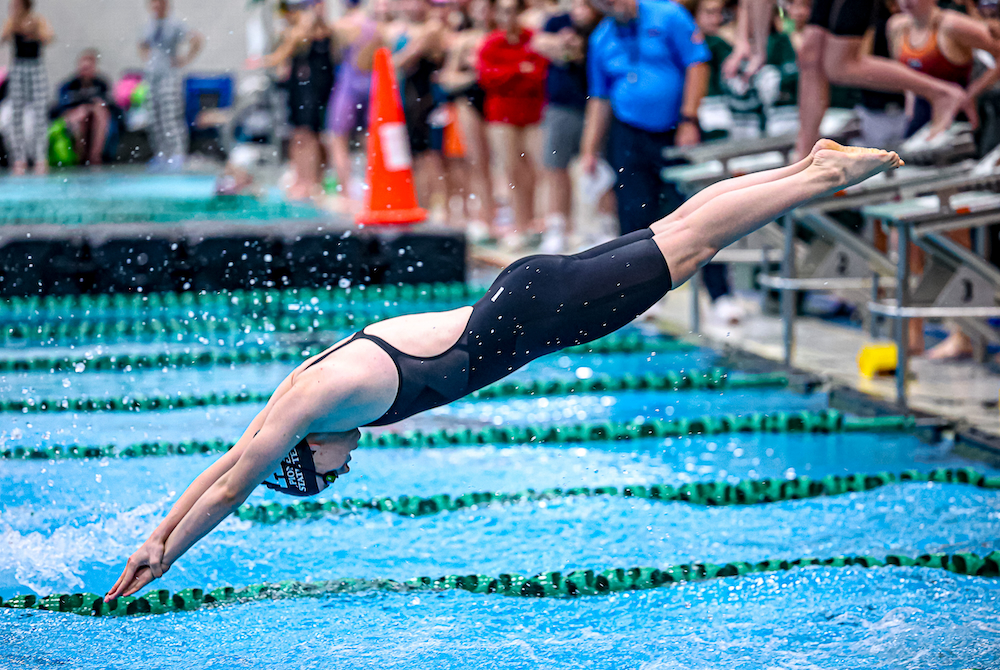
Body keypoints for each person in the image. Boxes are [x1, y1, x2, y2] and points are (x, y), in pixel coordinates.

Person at [104, 141, 903, 601]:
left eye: (328, 475)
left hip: (532, 314)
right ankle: (809, 164)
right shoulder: (301, 404)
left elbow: (235, 481)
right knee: (680, 231)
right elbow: (232, 460)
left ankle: (818, 179)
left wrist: (170, 554)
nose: (346, 468)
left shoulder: (315, 403)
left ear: (308, 451)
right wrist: (156, 533)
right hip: (524, 298)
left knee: (687, 246)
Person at [580, 0, 710, 235]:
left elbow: (697, 64)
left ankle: (710, 271)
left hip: (677, 129)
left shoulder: (669, 15)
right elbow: (599, 99)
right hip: (629, 133)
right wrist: (589, 150)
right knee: (634, 215)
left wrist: (689, 119)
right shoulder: (601, 38)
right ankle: (639, 270)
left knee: (692, 210)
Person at [530, 0, 602, 254]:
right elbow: (538, 43)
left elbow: (587, 53)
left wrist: (572, 47)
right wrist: (564, 46)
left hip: (595, 104)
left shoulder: (602, 22)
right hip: (561, 106)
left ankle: (600, 227)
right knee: (556, 168)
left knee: (599, 168)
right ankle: (558, 226)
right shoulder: (557, 20)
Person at [477, 0, 549, 250]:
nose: (507, 16)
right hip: (501, 115)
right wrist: (518, 70)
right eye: (502, 11)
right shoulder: (491, 43)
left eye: (511, 10)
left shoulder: (533, 39)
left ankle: (537, 222)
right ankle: (520, 225)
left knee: (538, 169)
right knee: (512, 171)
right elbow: (487, 77)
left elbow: (538, 75)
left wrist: (507, 74)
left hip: (531, 113)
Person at [250, 0, 334, 201]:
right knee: (299, 135)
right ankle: (302, 179)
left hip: (313, 89)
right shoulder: (297, 30)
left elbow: (284, 52)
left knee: (309, 135)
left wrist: (264, 60)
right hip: (300, 88)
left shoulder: (313, 30)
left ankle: (312, 181)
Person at [438, 0, 498, 239]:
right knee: (477, 162)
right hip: (470, 102)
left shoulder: (502, 37)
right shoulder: (464, 40)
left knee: (508, 163)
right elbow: (447, 79)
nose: (482, 13)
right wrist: (477, 75)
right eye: (478, 8)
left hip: (498, 101)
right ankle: (486, 217)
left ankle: (508, 215)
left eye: (487, 8)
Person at [326, 0, 381, 202]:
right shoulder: (374, 26)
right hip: (371, 82)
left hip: (348, 83)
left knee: (338, 139)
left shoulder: (342, 25)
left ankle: (346, 195)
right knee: (369, 139)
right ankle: (374, 190)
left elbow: (335, 54)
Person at [139, 0, 203, 170]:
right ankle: (161, 154)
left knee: (170, 116)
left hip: (169, 76)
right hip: (152, 76)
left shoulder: (175, 24)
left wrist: (185, 59)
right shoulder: (149, 25)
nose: (155, 6)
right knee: (154, 116)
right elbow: (142, 44)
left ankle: (177, 154)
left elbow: (196, 39)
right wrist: (149, 61)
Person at [1, 0, 53, 175]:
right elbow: (2, 38)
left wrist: (33, 31)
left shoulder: (38, 20)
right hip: (18, 67)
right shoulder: (12, 21)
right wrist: (15, 28)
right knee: (16, 114)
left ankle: (40, 157)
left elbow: (49, 37)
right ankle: (19, 158)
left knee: (39, 113)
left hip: (35, 66)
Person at [55, 49, 113, 167]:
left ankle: (95, 155)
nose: (86, 72)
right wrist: (82, 109)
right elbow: (61, 107)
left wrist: (91, 107)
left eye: (89, 68)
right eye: (83, 68)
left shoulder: (101, 84)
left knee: (99, 112)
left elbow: (108, 103)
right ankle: (80, 154)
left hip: (95, 117)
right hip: (75, 117)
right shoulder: (69, 85)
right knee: (81, 115)